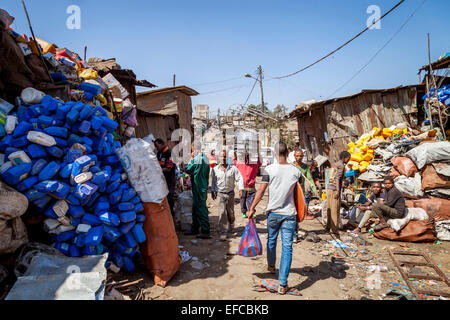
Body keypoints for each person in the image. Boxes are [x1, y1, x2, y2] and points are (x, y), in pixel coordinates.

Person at [248, 141, 302, 295]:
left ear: (275, 153)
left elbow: (261, 190)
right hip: (290, 214)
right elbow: (299, 195)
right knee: (287, 247)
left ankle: (271, 266)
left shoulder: (269, 170)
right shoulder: (295, 171)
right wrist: (301, 213)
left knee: (271, 240)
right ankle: (282, 284)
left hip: (273, 213)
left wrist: (252, 208)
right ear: (288, 153)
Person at [211, 150, 244, 241]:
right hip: (220, 194)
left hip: (230, 194)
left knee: (230, 212)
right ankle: (223, 232)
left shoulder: (233, 169)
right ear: (219, 158)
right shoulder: (215, 169)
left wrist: (241, 189)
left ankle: (231, 222)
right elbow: (213, 181)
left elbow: (239, 178)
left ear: (227, 158)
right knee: (222, 213)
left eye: (224, 156)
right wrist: (213, 190)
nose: (223, 158)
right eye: (221, 156)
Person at [184, 143, 211, 239]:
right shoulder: (206, 158)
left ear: (195, 148)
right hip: (202, 185)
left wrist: (191, 159)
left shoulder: (197, 159)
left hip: (199, 186)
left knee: (201, 208)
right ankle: (194, 228)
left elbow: (187, 169)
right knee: (195, 207)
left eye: (192, 149)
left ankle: (205, 230)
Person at [326, 151, 351, 237]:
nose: (349, 160)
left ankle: (328, 226)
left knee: (329, 208)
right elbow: (337, 178)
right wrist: (337, 190)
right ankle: (335, 229)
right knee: (335, 209)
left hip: (329, 188)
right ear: (345, 157)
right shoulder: (341, 166)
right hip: (334, 190)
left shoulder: (335, 164)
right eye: (348, 158)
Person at [154, 138, 176, 219]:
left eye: (157, 146)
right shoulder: (159, 153)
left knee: (170, 200)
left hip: (170, 181)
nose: (156, 148)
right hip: (162, 181)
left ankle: (172, 220)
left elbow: (169, 168)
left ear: (162, 144)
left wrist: (157, 170)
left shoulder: (170, 154)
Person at [234, 152, 261, 219]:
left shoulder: (253, 164)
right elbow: (234, 160)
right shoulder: (239, 163)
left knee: (251, 200)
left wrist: (258, 152)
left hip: (251, 186)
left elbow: (259, 162)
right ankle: (244, 212)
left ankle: (251, 211)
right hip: (242, 186)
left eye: (247, 156)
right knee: (242, 200)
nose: (246, 158)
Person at [293, 149, 318, 219]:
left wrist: (314, 190)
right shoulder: (291, 165)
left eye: (300, 156)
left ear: (303, 156)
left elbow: (310, 179)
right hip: (291, 189)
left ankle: (301, 216)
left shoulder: (305, 167)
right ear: (294, 156)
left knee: (301, 203)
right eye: (297, 156)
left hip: (301, 189)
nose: (299, 157)